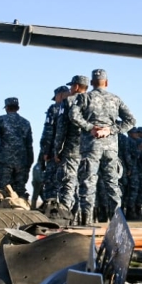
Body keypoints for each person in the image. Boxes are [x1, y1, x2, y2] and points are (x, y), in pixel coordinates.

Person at [70, 69, 136, 225]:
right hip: (111, 147)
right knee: (112, 182)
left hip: (91, 145)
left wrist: (90, 128)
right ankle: (118, 220)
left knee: (88, 180)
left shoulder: (84, 97)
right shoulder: (115, 99)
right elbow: (131, 120)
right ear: (106, 83)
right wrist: (110, 130)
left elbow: (73, 115)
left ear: (92, 83)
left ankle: (86, 220)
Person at [56, 75, 90, 215]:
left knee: (68, 183)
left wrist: (57, 149)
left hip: (72, 148)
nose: (70, 89)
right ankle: (84, 217)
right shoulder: (93, 101)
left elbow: (61, 128)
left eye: (71, 86)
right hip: (90, 150)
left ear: (76, 86)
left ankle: (66, 216)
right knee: (86, 184)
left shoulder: (69, 101)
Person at [0, 98, 34, 198]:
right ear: (17, 108)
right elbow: (29, 145)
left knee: (3, 193)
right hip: (22, 164)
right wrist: (29, 163)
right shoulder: (26, 123)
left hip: (4, 163)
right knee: (19, 194)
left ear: (7, 108)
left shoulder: (0, 120)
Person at [40, 85, 71, 204]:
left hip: (55, 153)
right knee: (69, 183)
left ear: (60, 95)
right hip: (73, 153)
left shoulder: (54, 109)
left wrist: (45, 151)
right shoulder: (76, 107)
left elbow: (48, 132)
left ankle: (51, 211)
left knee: (51, 183)